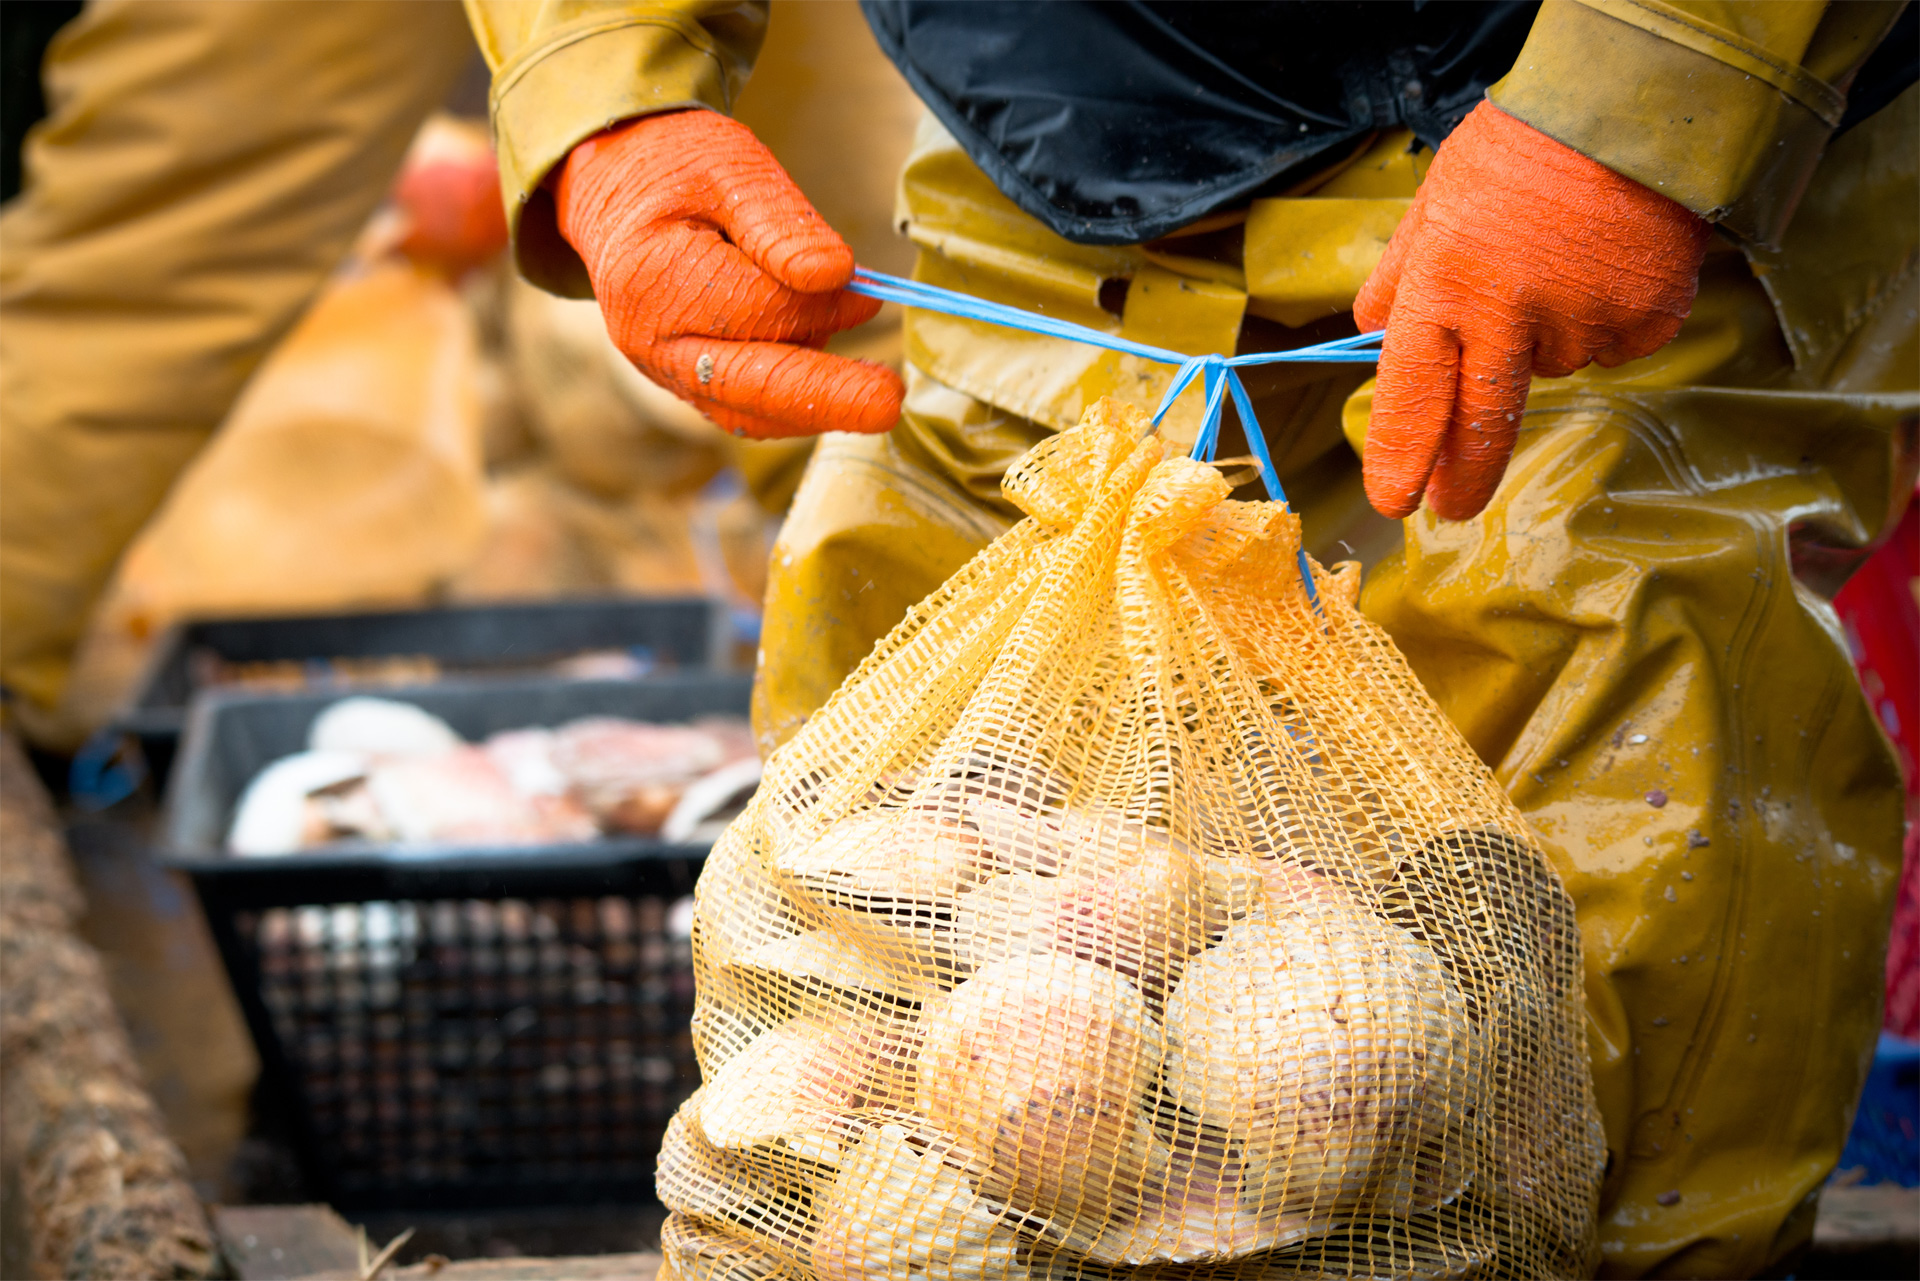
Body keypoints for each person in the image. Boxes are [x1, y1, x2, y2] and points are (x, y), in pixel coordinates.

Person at [464, 2, 1915, 1275]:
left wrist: (1658, 89)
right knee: (910, 857)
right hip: (1061, 133)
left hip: (1578, 120)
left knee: (1613, 702)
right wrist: (605, 93)